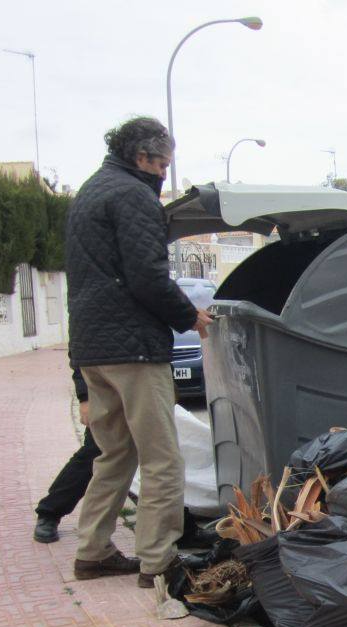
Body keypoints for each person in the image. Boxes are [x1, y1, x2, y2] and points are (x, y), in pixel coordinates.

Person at [66, 115, 212, 587]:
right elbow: (148, 277)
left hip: (94, 348)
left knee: (114, 455)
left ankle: (92, 552)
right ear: (143, 157)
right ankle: (159, 561)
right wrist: (189, 316)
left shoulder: (90, 191)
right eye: (163, 165)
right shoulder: (134, 195)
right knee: (163, 459)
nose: (164, 175)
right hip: (134, 351)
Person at [33, 369, 216, 549]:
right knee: (96, 453)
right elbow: (82, 346)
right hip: (110, 386)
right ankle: (50, 513)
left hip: (147, 381)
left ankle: (183, 530)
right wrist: (84, 397)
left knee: (160, 461)